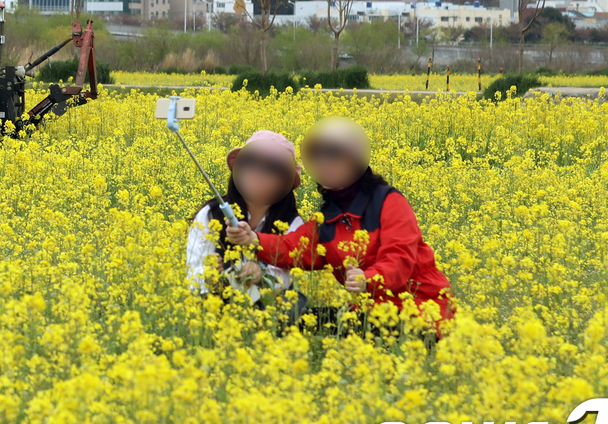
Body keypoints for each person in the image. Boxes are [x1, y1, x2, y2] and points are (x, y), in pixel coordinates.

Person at [225, 117, 454, 335]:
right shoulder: (327, 217)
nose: (325, 165)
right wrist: (252, 239)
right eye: (319, 159)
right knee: (296, 320)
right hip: (368, 314)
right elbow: (294, 248)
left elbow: (400, 258)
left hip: (421, 312)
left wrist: (368, 279)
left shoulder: (388, 201)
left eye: (334, 157)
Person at [187, 130, 306, 312]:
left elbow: (287, 278)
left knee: (296, 304)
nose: (257, 173)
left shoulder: (293, 224)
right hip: (217, 307)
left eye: (271, 169)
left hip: (268, 312)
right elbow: (194, 275)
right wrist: (208, 277)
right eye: (249, 164)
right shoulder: (211, 214)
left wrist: (262, 274)